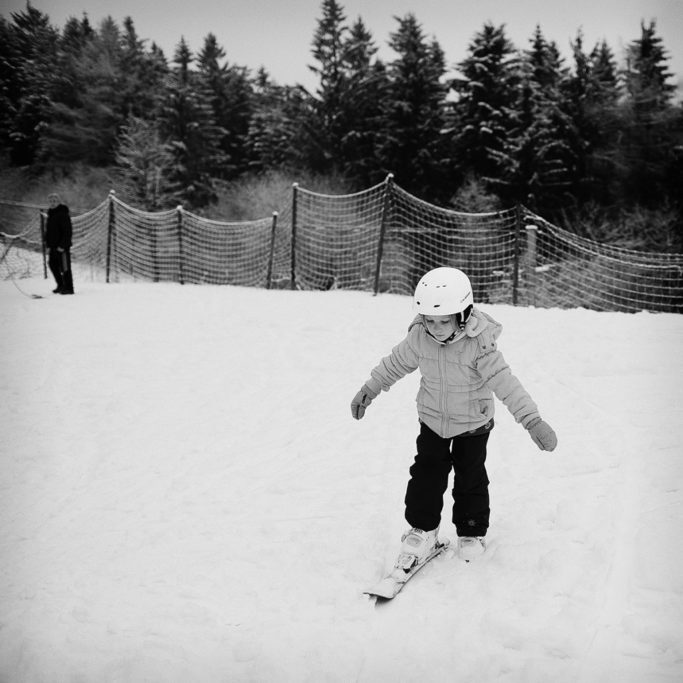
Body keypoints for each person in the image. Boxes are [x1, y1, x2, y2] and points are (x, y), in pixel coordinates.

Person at [350, 267, 557, 568]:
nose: (435, 327)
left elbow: (505, 383)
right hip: (433, 421)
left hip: (473, 424)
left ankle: (471, 532)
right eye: (429, 320)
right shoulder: (420, 338)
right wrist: (370, 388)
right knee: (426, 475)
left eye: (443, 321)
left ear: (463, 313)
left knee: (470, 478)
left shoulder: (479, 344)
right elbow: (394, 364)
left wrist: (532, 420)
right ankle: (423, 529)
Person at [45, 192, 74, 295]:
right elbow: (48, 232)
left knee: (65, 267)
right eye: (51, 201)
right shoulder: (50, 214)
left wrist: (62, 245)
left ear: (59, 202)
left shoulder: (63, 214)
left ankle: (69, 288)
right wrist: (48, 245)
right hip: (52, 246)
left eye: (54, 201)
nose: (52, 203)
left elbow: (68, 231)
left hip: (62, 247)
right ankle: (61, 285)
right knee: (52, 264)